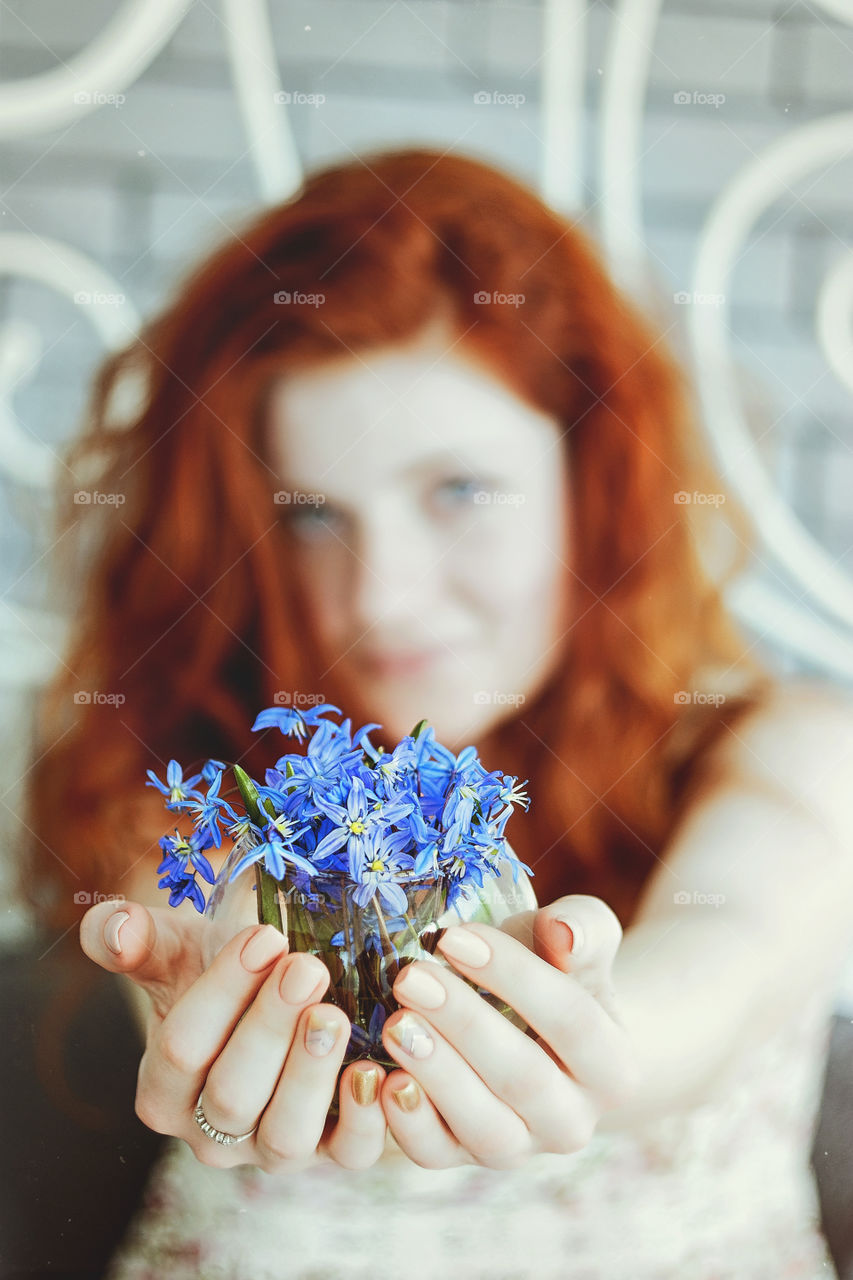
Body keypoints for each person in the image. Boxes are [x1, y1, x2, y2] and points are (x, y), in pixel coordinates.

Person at [21, 146, 853, 1279]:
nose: (383, 596)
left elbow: (721, 959)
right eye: (313, 517)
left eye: (458, 491)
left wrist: (592, 1042)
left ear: (590, 485)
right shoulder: (188, 772)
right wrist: (222, 1044)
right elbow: (186, 933)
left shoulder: (787, 748)